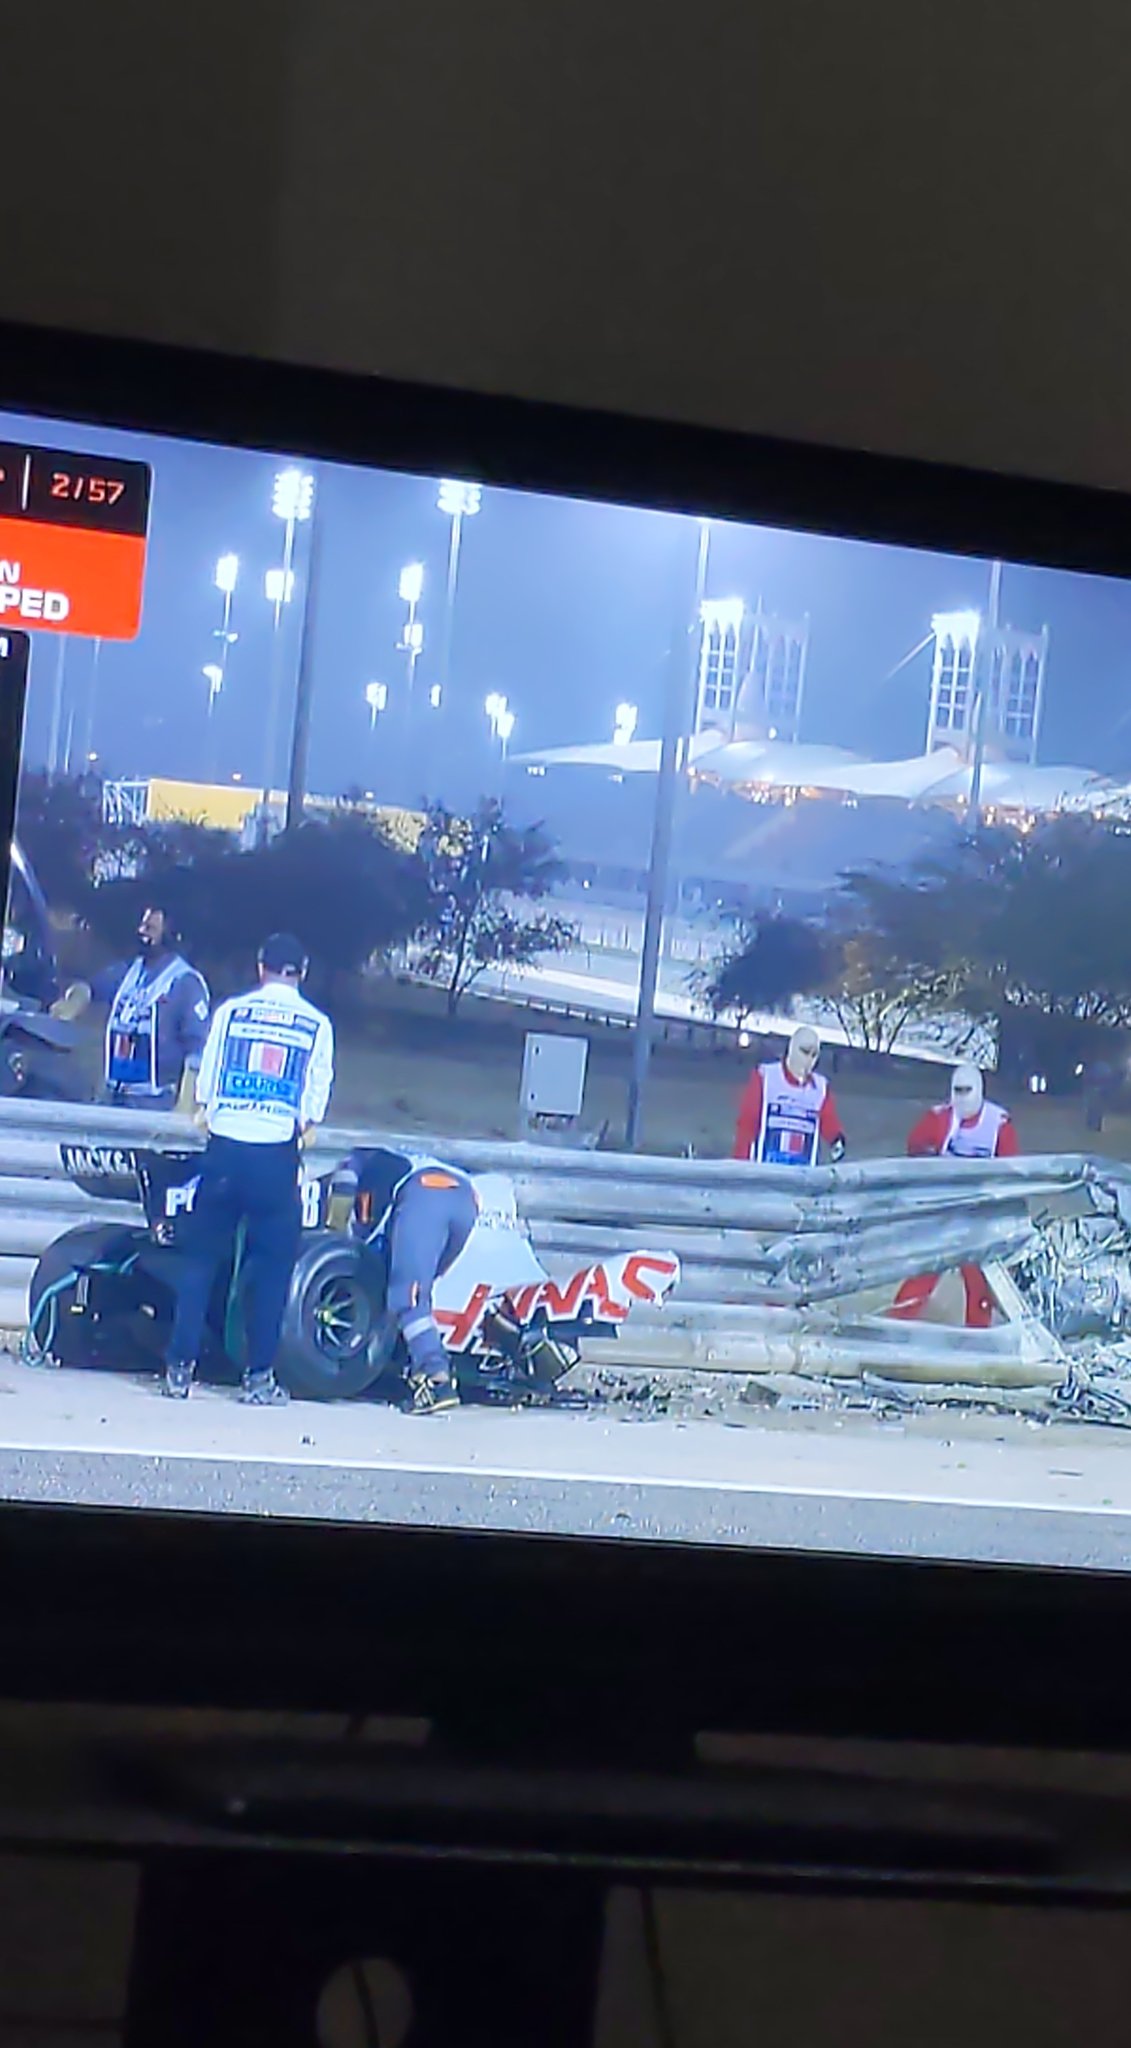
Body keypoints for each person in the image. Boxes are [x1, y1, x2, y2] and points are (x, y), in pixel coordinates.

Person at [163, 932, 334, 1404]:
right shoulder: (317, 1025)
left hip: (224, 1151)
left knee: (200, 1261)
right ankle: (258, 1378)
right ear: (302, 972)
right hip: (275, 1156)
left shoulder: (230, 1012)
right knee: (273, 1270)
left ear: (261, 968)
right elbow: (314, 1102)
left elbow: (205, 1084)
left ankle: (179, 1370)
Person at [890, 1061, 1019, 1330]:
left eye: (966, 1091)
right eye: (956, 1091)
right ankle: (897, 1321)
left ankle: (977, 1330)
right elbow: (914, 1145)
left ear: (978, 1090)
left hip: (978, 1214)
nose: (961, 1098)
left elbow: (1011, 1168)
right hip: (944, 1209)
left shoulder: (998, 1123)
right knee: (927, 1267)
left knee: (977, 1278)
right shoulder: (940, 1117)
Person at [353, 1147, 480, 1413]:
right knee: (419, 1289)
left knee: (406, 1298)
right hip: (466, 1197)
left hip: (424, 1192)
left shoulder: (355, 1163)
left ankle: (436, 1378)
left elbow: (360, 1225)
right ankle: (416, 1364)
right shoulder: (394, 1158)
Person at [93, 905, 210, 1111]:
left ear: (171, 933)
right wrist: (74, 998)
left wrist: (186, 1102)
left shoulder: (185, 981)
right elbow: (93, 987)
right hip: (116, 1096)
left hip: (155, 1101)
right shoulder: (129, 971)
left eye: (150, 928)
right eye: (142, 926)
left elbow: (197, 1047)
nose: (142, 933)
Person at [732, 1024, 847, 1166]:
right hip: (765, 1169)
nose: (809, 1060)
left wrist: (836, 1139)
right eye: (805, 1052)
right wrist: (740, 1164)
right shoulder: (765, 1077)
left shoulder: (820, 1088)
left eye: (814, 1055)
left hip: (803, 1173)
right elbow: (747, 1123)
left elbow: (828, 1119)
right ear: (793, 1049)